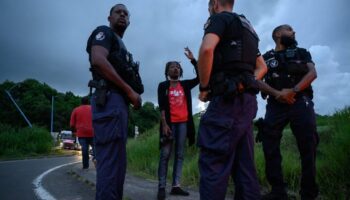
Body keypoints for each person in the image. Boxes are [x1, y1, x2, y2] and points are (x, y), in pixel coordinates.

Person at [196, 0, 267, 199]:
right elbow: (262, 67)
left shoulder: (219, 19)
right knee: (245, 169)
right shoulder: (248, 28)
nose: (209, 10)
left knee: (214, 165)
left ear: (215, 3)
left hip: (226, 104)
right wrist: (244, 83)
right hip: (246, 104)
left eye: (209, 7)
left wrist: (203, 88)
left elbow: (207, 49)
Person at [86, 4, 143, 200]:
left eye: (126, 13)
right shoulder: (104, 33)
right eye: (118, 12)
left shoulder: (122, 47)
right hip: (109, 100)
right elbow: (98, 61)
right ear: (109, 17)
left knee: (118, 168)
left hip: (119, 105)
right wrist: (129, 91)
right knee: (110, 166)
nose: (122, 15)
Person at [260, 24, 319, 200]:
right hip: (275, 104)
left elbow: (312, 73)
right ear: (278, 34)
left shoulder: (302, 52)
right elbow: (257, 79)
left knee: (308, 146)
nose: (294, 32)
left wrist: (293, 90)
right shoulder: (266, 57)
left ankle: (308, 193)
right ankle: (278, 191)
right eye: (290, 30)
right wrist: (277, 93)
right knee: (269, 144)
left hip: (300, 101)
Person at [156, 47, 199, 200]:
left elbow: (200, 77)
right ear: (167, 71)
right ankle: (162, 186)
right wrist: (164, 124)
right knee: (165, 155)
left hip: (183, 124)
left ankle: (176, 186)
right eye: (172, 67)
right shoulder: (163, 86)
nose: (175, 68)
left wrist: (193, 60)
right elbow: (162, 106)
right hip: (169, 124)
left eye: (177, 67)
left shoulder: (186, 85)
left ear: (180, 71)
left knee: (180, 155)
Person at [70, 96, 95, 169]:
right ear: (88, 102)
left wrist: (73, 132)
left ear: (81, 102)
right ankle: (97, 161)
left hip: (81, 133)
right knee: (95, 148)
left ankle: (85, 166)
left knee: (84, 149)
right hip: (93, 133)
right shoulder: (93, 109)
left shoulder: (76, 110)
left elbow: (72, 124)